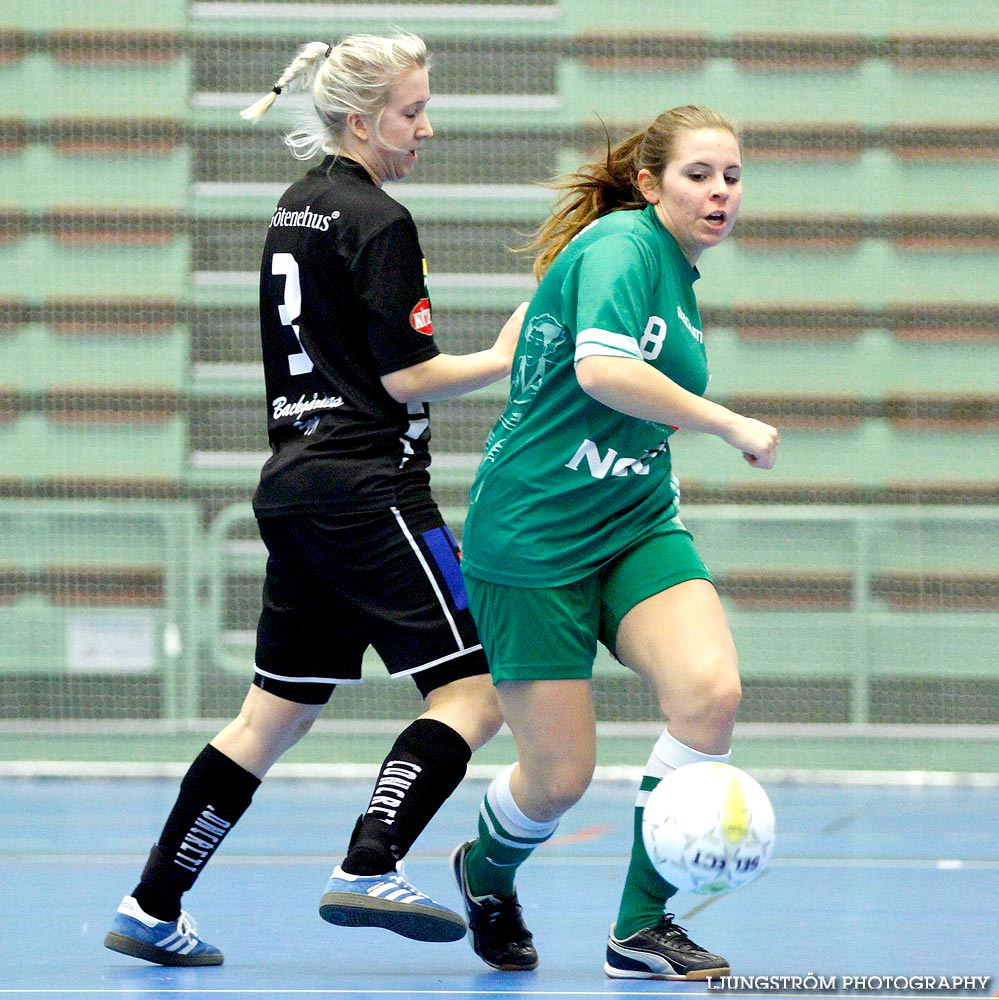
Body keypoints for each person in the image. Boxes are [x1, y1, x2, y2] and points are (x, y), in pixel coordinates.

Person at [103, 31, 527, 967]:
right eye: (412, 112)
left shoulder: (292, 209)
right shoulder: (378, 220)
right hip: (368, 487)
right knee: (476, 688)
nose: (426, 127)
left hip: (294, 488)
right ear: (359, 119)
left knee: (273, 715)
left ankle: (151, 902)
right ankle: (372, 859)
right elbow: (408, 372)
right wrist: (502, 355)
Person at [448, 106, 780, 979]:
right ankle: (483, 873)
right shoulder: (619, 249)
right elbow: (602, 369)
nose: (718, 192)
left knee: (710, 693)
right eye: (698, 174)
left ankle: (641, 928)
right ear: (648, 184)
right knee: (557, 781)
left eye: (731, 177)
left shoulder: (679, 275)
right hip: (533, 537)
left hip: (633, 523)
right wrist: (726, 422)